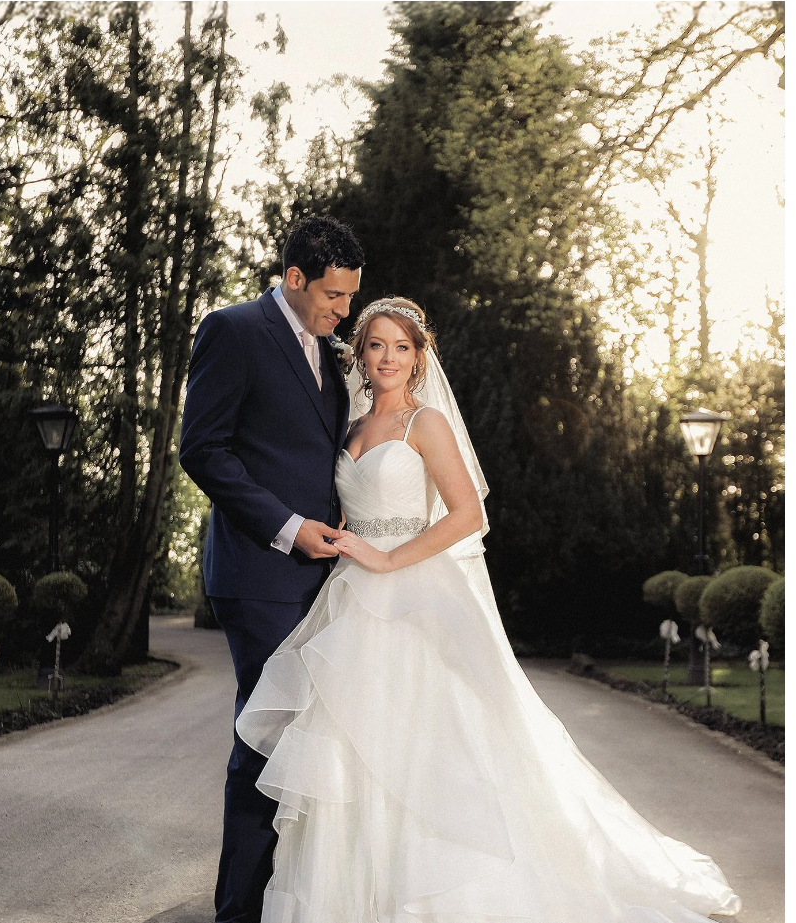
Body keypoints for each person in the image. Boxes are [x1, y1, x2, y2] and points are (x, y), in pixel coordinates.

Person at [234, 296, 741, 922]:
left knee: (426, 741)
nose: (388, 358)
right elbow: (348, 496)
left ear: (419, 358)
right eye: (376, 345)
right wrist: (343, 533)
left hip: (412, 592)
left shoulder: (426, 424)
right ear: (360, 355)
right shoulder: (352, 427)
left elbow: (469, 514)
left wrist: (390, 559)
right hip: (350, 594)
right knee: (352, 740)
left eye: (402, 347)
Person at [177, 216, 364, 923]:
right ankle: (238, 913)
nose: (343, 311)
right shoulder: (233, 330)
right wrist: (289, 529)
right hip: (260, 575)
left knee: (307, 746)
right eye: (335, 296)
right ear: (294, 278)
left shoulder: (329, 351)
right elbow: (204, 449)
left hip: (322, 581)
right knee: (267, 740)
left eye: (350, 298)